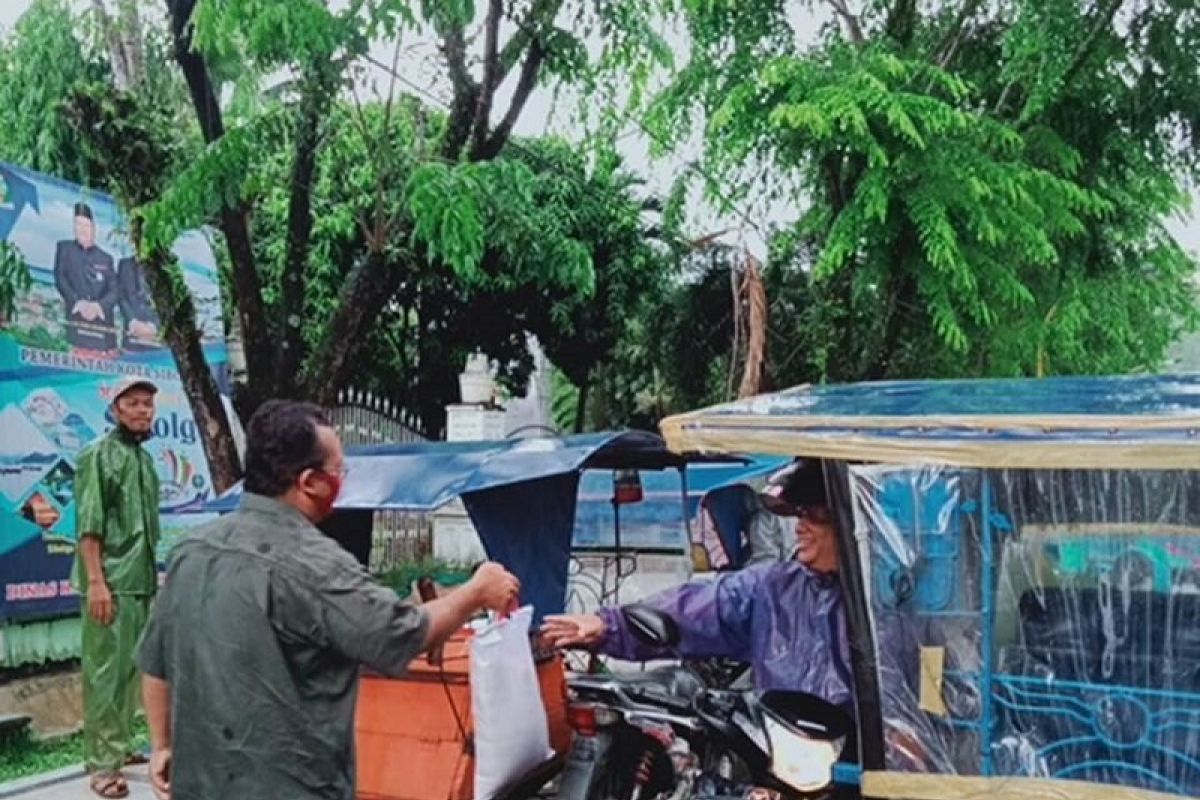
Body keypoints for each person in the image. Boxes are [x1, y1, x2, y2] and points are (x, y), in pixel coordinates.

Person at [136, 400, 521, 800]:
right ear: (310, 482)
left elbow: (156, 664)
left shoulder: (190, 552)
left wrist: (162, 745)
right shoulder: (316, 565)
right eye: (340, 471)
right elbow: (401, 634)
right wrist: (476, 591)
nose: (344, 480)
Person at [543, 460, 925, 767]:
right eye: (799, 514)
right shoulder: (772, 588)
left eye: (814, 515)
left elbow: (928, 685)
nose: (800, 527)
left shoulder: (895, 600)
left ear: (850, 522)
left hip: (864, 761)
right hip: (783, 754)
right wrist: (608, 625)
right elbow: (697, 606)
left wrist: (911, 732)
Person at [72, 376, 162, 799]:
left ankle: (122, 746)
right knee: (106, 672)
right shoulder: (97, 455)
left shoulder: (143, 461)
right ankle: (103, 765)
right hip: (110, 580)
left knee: (132, 671)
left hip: (139, 580)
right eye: (135, 403)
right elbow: (89, 524)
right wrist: (95, 582)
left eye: (148, 404)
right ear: (116, 409)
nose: (144, 410)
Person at [53, 202, 118, 355]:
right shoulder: (64, 249)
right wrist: (78, 303)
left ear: (93, 227)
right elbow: (60, 279)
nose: (82, 229)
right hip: (76, 329)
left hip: (103, 334)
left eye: (86, 225)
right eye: (78, 224)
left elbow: (115, 290)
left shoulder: (106, 258)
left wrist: (99, 306)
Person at [117, 257, 160, 352]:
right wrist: (132, 321)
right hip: (131, 334)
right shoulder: (124, 264)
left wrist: (154, 326)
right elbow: (121, 296)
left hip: (155, 339)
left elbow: (167, 302)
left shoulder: (165, 268)